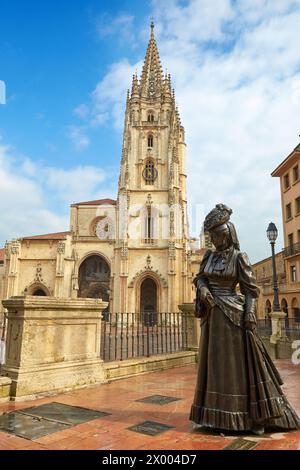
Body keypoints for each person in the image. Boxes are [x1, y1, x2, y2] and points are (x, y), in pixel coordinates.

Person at [190, 204, 300, 435]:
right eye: (212, 235)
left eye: (218, 235)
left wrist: (250, 314)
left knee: (234, 369)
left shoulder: (239, 257)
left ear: (228, 235)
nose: (215, 239)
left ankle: (239, 417)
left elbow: (251, 290)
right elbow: (200, 278)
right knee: (215, 368)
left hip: (233, 319)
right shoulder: (208, 256)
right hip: (213, 318)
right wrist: (202, 289)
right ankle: (214, 416)